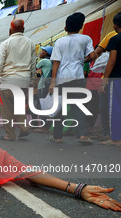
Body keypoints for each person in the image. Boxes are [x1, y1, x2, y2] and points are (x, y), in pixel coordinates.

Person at [48, 12, 97, 144]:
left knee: (60, 108)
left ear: (65, 28)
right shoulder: (85, 39)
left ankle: (57, 137)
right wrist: (82, 61)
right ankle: (82, 135)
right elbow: (93, 56)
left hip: (62, 78)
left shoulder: (59, 41)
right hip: (78, 77)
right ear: (80, 26)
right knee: (78, 106)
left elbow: (56, 63)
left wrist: (52, 83)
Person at [0, 18, 36, 141]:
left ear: (10, 30)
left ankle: (9, 135)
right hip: (24, 81)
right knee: (20, 106)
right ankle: (24, 128)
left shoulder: (6, 43)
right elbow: (33, 64)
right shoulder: (30, 43)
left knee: (7, 109)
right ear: (23, 29)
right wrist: (32, 81)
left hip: (8, 81)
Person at [100, 12, 121, 147]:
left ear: (114, 25)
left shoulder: (115, 39)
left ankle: (116, 139)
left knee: (115, 108)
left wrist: (104, 81)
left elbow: (112, 61)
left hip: (117, 78)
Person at [33, 46, 53, 133]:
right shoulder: (51, 62)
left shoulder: (44, 61)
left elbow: (33, 67)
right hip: (47, 85)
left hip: (43, 86)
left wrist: (35, 58)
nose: (41, 52)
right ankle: (47, 126)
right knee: (46, 105)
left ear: (47, 53)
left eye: (43, 51)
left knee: (42, 106)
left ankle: (45, 127)